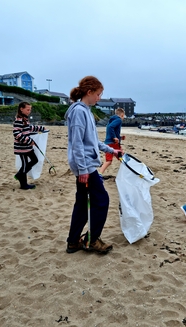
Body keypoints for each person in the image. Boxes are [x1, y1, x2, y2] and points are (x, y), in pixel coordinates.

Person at [65, 76, 123, 254]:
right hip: (86, 167)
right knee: (102, 200)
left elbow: (93, 141)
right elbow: (77, 143)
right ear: (88, 92)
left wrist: (112, 151)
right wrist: (82, 169)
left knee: (82, 203)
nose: (99, 98)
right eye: (98, 94)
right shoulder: (79, 112)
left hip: (86, 165)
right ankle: (92, 240)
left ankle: (73, 241)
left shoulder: (86, 111)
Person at [13, 101, 47, 190]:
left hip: (27, 147)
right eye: (27, 109)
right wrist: (29, 140)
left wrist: (41, 128)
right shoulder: (18, 120)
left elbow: (29, 128)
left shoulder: (25, 119)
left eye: (30, 109)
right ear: (21, 109)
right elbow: (16, 133)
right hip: (22, 148)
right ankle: (23, 184)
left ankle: (19, 174)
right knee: (24, 165)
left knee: (35, 160)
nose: (29, 111)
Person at [99, 107, 125, 176]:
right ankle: (129, 173)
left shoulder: (111, 120)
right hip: (112, 143)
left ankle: (100, 173)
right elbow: (111, 127)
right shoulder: (119, 120)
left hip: (109, 142)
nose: (123, 118)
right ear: (122, 115)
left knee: (112, 160)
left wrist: (119, 137)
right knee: (122, 158)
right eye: (124, 116)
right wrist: (114, 137)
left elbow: (110, 129)